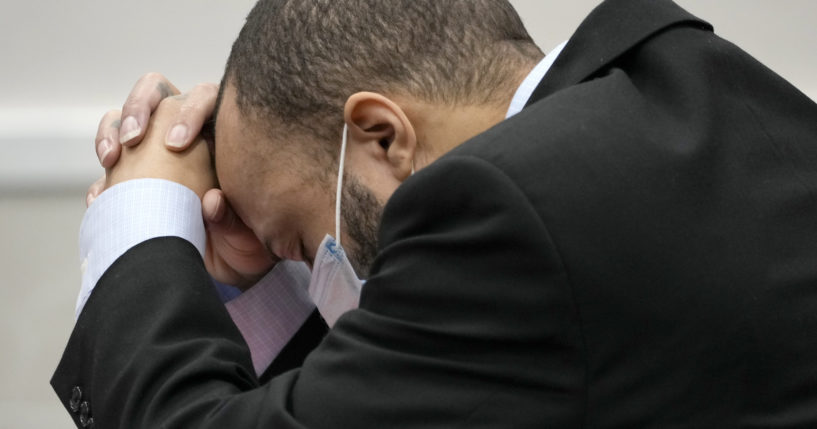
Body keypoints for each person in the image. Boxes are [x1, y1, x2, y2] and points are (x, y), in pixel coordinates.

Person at [53, 0, 817, 427]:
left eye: (295, 240)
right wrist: (261, 286)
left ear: (382, 136)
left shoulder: (505, 211)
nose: (301, 264)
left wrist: (143, 217)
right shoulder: (688, 83)